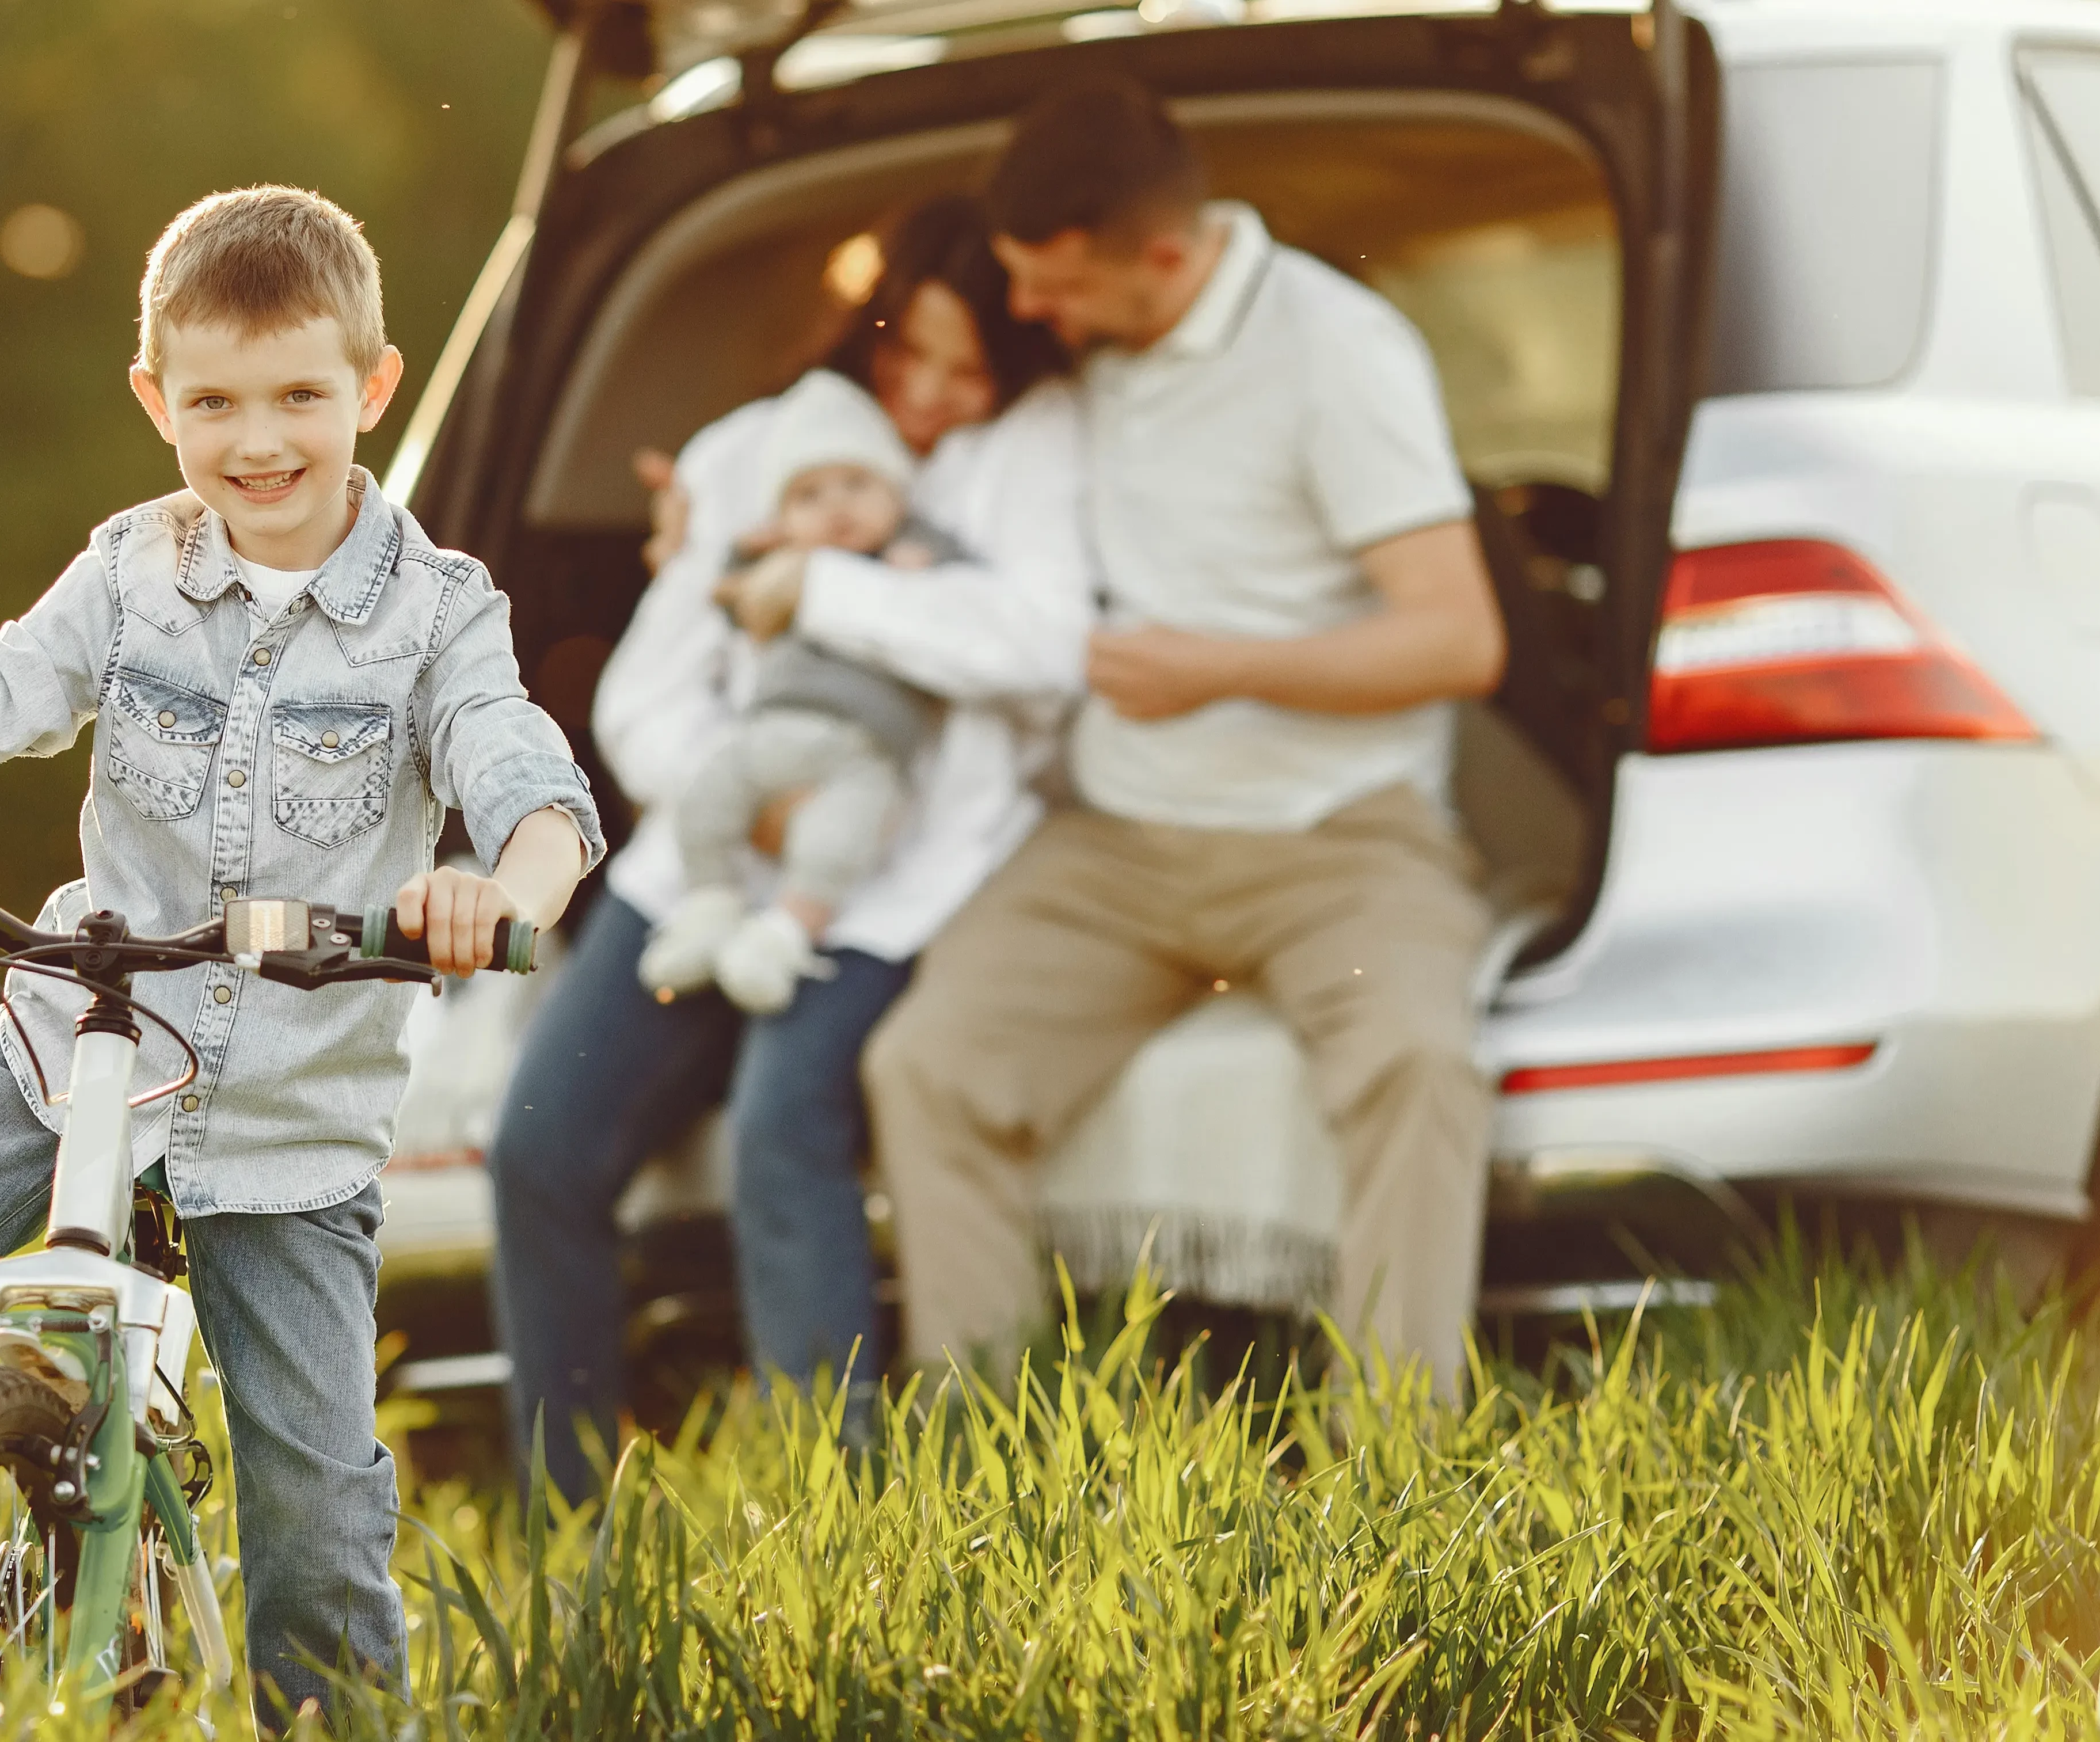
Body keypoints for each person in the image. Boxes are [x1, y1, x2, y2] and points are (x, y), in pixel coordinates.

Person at [0, 186, 601, 1730]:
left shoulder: (439, 615)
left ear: (372, 387)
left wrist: (492, 891)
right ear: (155, 403)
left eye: (301, 395)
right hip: (73, 1051)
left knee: (315, 1525)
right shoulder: (127, 576)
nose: (260, 440)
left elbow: (528, 779)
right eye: (215, 403)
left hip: (289, 1131)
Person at [865, 79, 1508, 1398]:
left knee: (1416, 1062)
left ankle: (1386, 1479)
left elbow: (1457, 639)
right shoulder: (1071, 350)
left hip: (1335, 842)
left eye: (1054, 286)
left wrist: (1222, 670)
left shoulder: (1336, 350)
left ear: (1163, 255)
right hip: (1116, 845)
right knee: (925, 1065)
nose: (1028, 314)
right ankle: (988, 1471)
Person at [486, 195, 1091, 1504]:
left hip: (895, 881)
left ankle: (837, 1513)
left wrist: (817, 589)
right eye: (903, 360)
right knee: (538, 1144)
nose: (928, 396)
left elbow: (1035, 650)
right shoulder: (757, 448)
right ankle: (569, 1526)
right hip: (708, 861)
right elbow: (648, 692)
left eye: (966, 369)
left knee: (781, 1124)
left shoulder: (1031, 453)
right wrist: (739, 798)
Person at [638, 370, 973, 1013]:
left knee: (837, 838)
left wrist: (923, 575)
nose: (837, 506)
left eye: (857, 484)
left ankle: (787, 934)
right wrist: (739, 552)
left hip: (865, 747)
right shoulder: (770, 566)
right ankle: (710, 903)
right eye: (810, 495)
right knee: (706, 797)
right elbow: (731, 604)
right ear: (783, 516)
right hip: (769, 731)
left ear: (896, 493)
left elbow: (964, 612)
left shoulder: (915, 552)